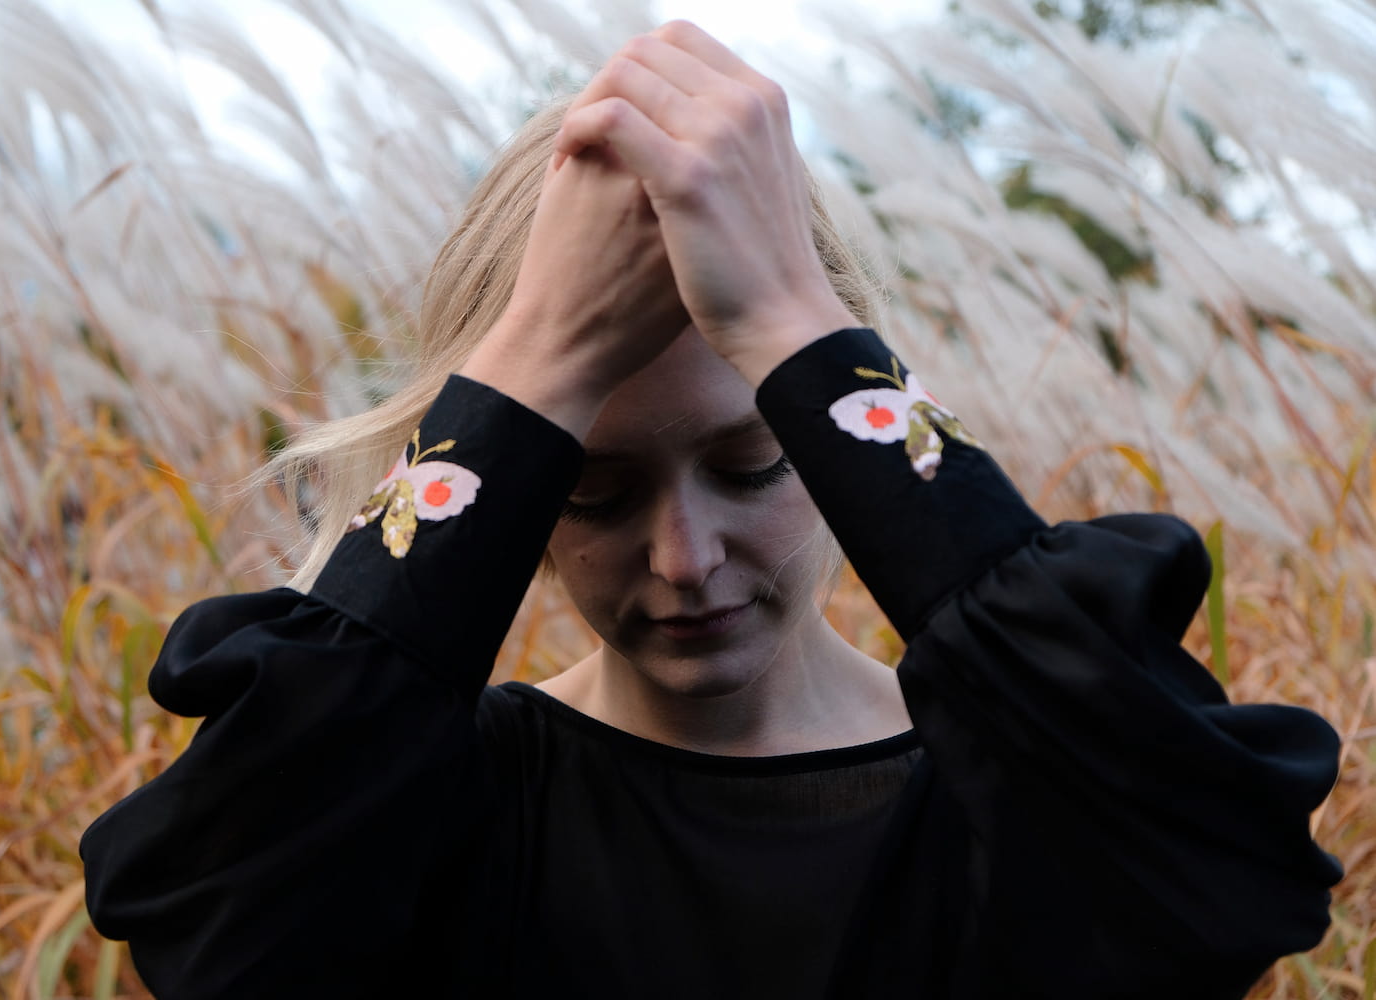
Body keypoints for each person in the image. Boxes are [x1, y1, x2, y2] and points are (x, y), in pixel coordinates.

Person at [80, 21, 1342, 1000]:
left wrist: (795, 320)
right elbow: (212, 921)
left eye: (757, 463)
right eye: (585, 487)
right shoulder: (436, 807)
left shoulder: (1014, 789)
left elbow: (1219, 877)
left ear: (834, 436)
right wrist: (535, 357)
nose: (686, 560)